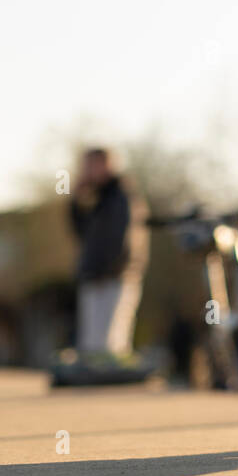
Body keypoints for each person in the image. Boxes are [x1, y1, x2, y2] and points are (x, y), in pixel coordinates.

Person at [68, 147, 148, 362]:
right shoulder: (96, 198)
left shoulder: (121, 196)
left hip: (116, 276)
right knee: (92, 345)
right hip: (94, 275)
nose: (86, 171)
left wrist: (109, 270)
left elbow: (122, 240)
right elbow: (80, 232)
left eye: (91, 165)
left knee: (109, 344)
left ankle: (115, 387)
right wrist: (76, 201)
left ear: (106, 164)